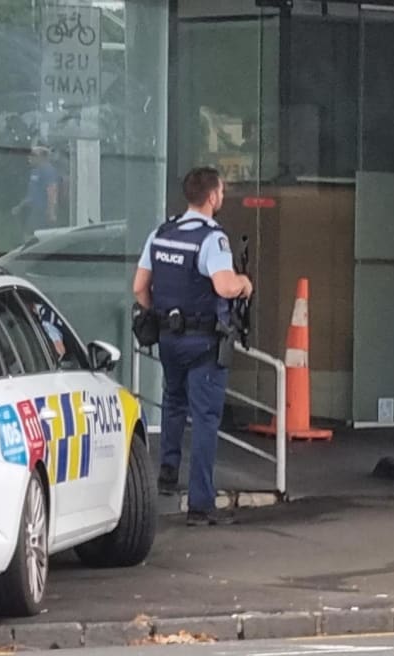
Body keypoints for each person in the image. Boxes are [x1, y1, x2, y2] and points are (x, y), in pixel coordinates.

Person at [132, 167, 253, 526]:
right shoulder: (212, 239)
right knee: (204, 418)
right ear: (213, 196)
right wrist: (245, 283)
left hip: (169, 337)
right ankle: (201, 505)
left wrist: (164, 314)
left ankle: (167, 475)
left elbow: (140, 287)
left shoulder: (162, 232)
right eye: (222, 192)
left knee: (172, 402)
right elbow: (224, 287)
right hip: (203, 341)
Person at [11, 146, 59, 242]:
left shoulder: (48, 170)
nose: (30, 157)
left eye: (34, 155)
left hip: (42, 211)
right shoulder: (35, 171)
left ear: (42, 157)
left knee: (32, 237)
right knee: (29, 236)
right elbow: (32, 195)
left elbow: (52, 191)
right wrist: (20, 207)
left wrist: (51, 212)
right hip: (32, 209)